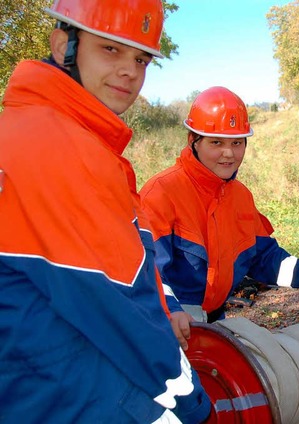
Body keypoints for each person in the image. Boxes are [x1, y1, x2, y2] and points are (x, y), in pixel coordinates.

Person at [0, 0, 211, 422]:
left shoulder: (48, 131)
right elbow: (120, 304)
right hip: (65, 391)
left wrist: (166, 304)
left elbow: (127, 267)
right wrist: (191, 401)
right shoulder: (58, 146)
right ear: (64, 46)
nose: (130, 71)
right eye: (110, 49)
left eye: (140, 58)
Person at [139, 86, 299, 345]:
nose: (229, 153)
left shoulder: (240, 197)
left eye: (237, 143)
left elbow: (267, 259)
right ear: (193, 141)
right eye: (217, 142)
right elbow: (146, 269)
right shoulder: (161, 192)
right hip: (169, 327)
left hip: (216, 324)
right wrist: (171, 311)